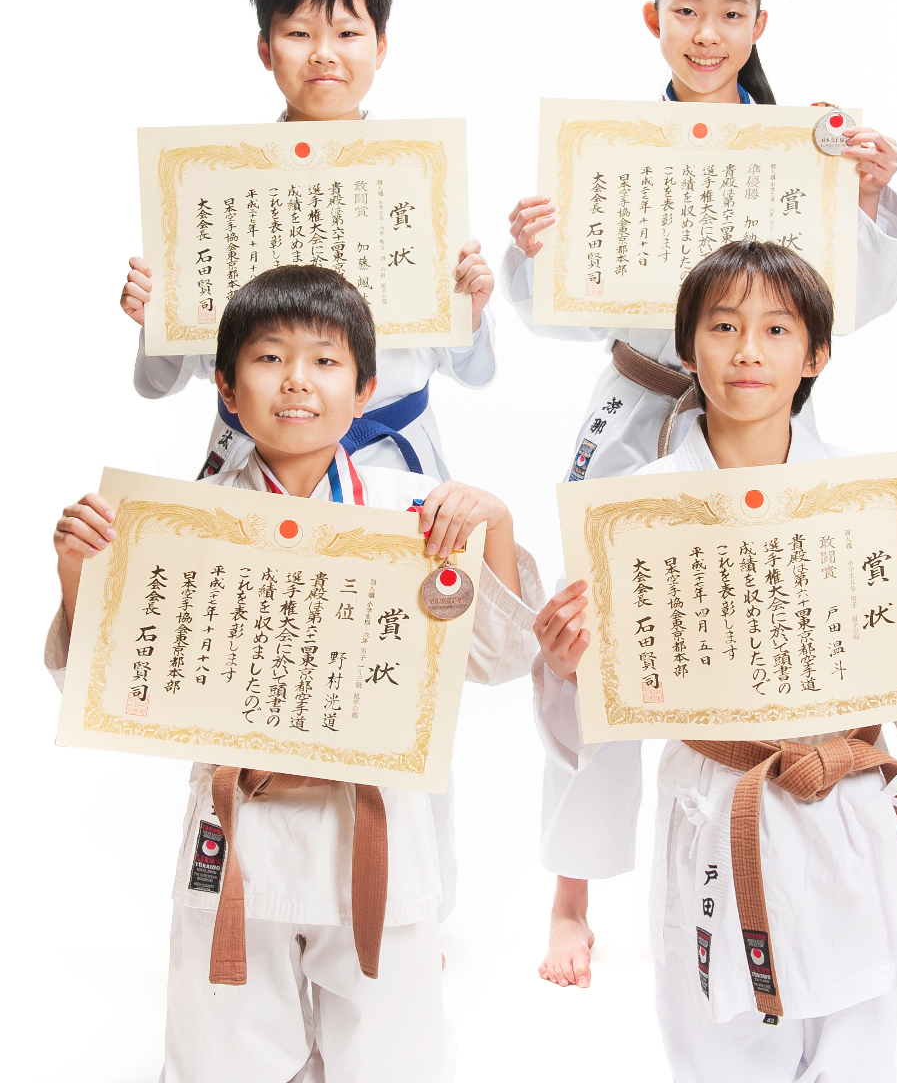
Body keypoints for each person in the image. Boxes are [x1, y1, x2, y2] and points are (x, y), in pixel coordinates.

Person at [506, 0, 897, 986]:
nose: (706, 33)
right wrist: (534, 247)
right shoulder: (609, 149)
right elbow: (552, 311)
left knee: (754, 630)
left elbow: (849, 303)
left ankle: (767, 836)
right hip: (635, 412)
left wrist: (865, 201)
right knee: (591, 643)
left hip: (758, 422)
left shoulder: (801, 145)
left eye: (730, 14)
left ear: (758, 24)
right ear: (653, 18)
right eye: (685, 11)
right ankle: (570, 891)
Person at [46, 266, 544, 1083]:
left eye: (325, 360)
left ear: (365, 387)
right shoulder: (183, 524)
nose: (297, 381)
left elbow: (503, 659)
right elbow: (100, 694)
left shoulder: (418, 511)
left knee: (395, 1058)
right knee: (221, 1055)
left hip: (379, 830)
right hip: (237, 826)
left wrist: (494, 525)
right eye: (269, 358)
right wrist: (80, 576)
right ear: (225, 388)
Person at [531, 240, 897, 1081]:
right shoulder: (628, 517)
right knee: (721, 1053)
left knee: (860, 1051)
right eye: (722, 326)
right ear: (685, 350)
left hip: (847, 812)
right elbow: (599, 722)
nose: (747, 349)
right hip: (716, 807)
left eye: (776, 329)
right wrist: (568, 669)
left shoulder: (872, 502)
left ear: (815, 355)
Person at [121, 0, 496, 486]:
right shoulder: (215, 185)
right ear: (265, 49)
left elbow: (477, 373)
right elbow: (157, 383)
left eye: (347, 34)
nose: (324, 53)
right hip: (251, 460)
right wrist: (154, 316)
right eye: (299, 34)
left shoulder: (419, 177)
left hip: (385, 463)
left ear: (380, 47)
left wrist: (471, 311)